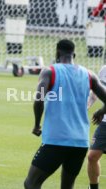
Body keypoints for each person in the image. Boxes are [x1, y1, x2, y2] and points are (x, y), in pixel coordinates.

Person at [24, 39, 106, 189]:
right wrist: (102, 111)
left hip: (56, 140)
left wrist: (37, 124)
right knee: (67, 186)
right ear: (74, 54)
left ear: (57, 53)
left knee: (31, 183)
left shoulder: (50, 71)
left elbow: (39, 99)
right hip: (80, 142)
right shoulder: (89, 74)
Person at [87, 65, 106, 189]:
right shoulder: (104, 70)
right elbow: (96, 92)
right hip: (105, 122)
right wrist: (86, 106)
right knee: (92, 156)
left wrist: (102, 110)